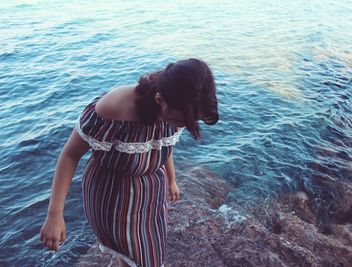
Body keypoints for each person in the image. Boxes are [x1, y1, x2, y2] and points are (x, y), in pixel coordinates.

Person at [39, 58, 219, 267]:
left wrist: (171, 179)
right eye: (183, 121)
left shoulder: (179, 107)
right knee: (142, 256)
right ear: (160, 100)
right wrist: (54, 215)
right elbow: (69, 156)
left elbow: (163, 143)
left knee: (148, 250)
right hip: (114, 194)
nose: (185, 126)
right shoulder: (113, 107)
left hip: (151, 192)